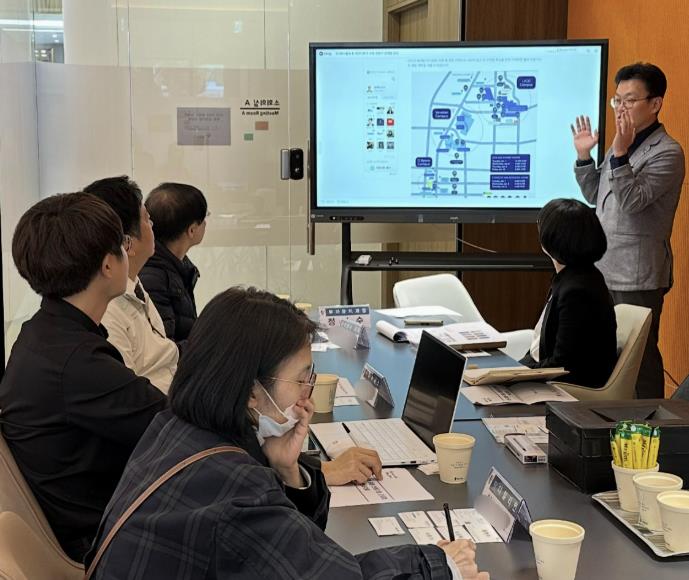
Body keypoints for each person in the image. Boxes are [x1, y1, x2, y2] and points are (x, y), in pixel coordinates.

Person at [85, 288, 488, 580]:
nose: (307, 395)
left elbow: (282, 550)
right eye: (301, 379)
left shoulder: (173, 427)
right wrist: (442, 565)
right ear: (251, 392)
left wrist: (285, 468)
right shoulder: (235, 487)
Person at [0, 193, 167, 561]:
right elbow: (172, 423)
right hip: (104, 543)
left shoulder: (43, 333)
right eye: (122, 245)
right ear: (108, 265)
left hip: (98, 519)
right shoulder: (76, 362)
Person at [571, 62, 685, 398]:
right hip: (604, 267)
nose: (621, 108)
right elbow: (597, 195)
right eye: (617, 100)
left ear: (655, 103)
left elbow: (633, 201)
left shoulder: (667, 152)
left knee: (640, 361)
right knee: (605, 356)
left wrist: (620, 153)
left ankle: (651, 423)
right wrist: (584, 156)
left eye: (630, 100)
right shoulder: (621, 144)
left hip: (637, 274)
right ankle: (608, 421)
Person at [84, 176, 179, 393]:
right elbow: (126, 395)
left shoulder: (134, 284)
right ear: (128, 243)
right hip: (158, 408)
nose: (152, 226)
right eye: (147, 219)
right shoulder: (106, 308)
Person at [521, 199, 617, 389]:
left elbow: (563, 365)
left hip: (569, 389)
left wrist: (516, 374)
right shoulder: (575, 276)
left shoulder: (577, 291)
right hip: (551, 376)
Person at [140, 182, 206, 343]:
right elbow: (165, 348)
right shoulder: (154, 278)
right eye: (204, 219)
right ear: (192, 230)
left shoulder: (177, 266)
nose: (206, 223)